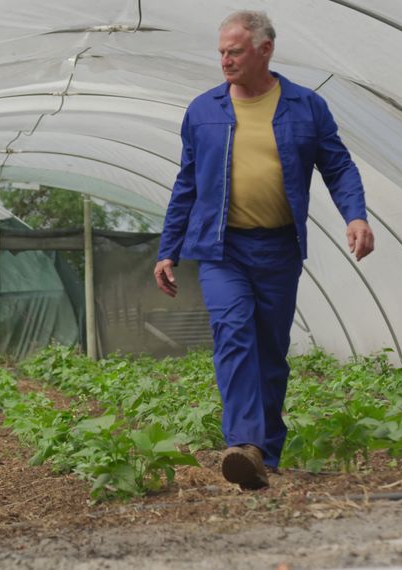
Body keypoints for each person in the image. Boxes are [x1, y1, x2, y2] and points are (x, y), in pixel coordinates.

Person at [153, 10, 374, 490]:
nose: (225, 61)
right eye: (221, 52)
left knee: (271, 350)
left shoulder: (306, 106)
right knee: (234, 335)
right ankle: (243, 444)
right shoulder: (203, 110)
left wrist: (355, 215)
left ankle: (265, 453)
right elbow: (186, 183)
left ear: (264, 50)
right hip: (220, 248)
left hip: (278, 248)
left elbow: (337, 167)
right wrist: (167, 249)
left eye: (234, 51)